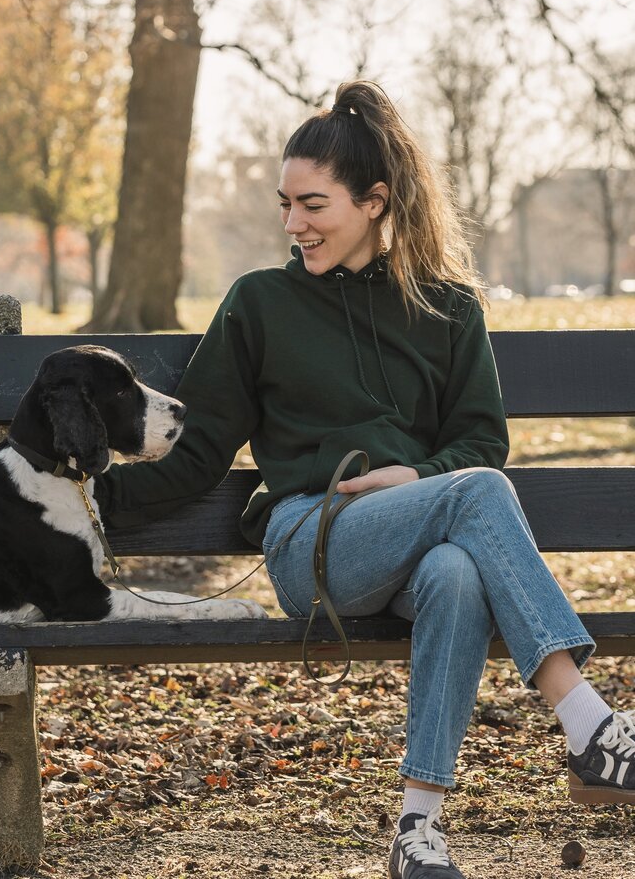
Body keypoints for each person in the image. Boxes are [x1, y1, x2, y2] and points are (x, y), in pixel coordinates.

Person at [96, 80, 635, 879]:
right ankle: (590, 725)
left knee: (456, 572)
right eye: (286, 204)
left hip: (416, 550)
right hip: (310, 544)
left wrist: (412, 476)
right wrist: (81, 496)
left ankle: (418, 832)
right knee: (480, 492)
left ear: (375, 201)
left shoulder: (448, 307)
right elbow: (200, 451)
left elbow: (481, 438)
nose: (292, 224)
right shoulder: (260, 303)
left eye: (313, 205)